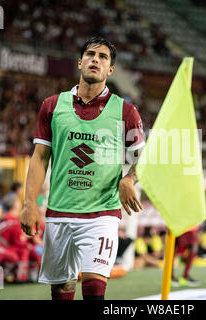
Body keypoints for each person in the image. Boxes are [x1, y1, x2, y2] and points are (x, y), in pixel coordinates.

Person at [20, 36, 145, 300]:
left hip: (102, 214)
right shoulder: (52, 106)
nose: (95, 60)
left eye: (103, 57)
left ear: (110, 69)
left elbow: (141, 157)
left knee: (93, 287)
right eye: (90, 54)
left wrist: (129, 179)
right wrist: (29, 204)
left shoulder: (125, 111)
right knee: (62, 290)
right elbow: (39, 157)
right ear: (80, 62)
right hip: (59, 212)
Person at [0, 194, 31, 283]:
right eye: (18, 202)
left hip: (1, 245)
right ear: (15, 205)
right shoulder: (13, 219)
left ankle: (13, 275)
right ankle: (21, 277)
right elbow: (19, 240)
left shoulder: (5, 217)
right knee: (25, 250)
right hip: (3, 247)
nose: (20, 204)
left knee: (26, 249)